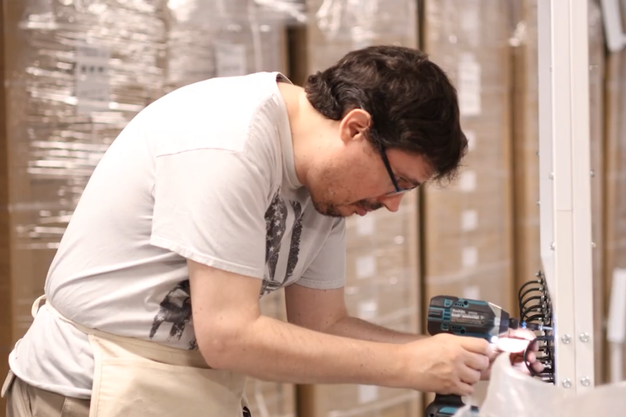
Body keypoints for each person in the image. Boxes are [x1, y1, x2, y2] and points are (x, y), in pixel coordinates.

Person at [2, 45, 540, 417]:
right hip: (85, 390)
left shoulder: (329, 188)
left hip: (183, 387)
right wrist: (407, 365)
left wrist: (452, 358)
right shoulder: (230, 141)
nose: (393, 204)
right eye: (397, 181)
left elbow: (324, 325)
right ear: (355, 128)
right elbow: (229, 336)